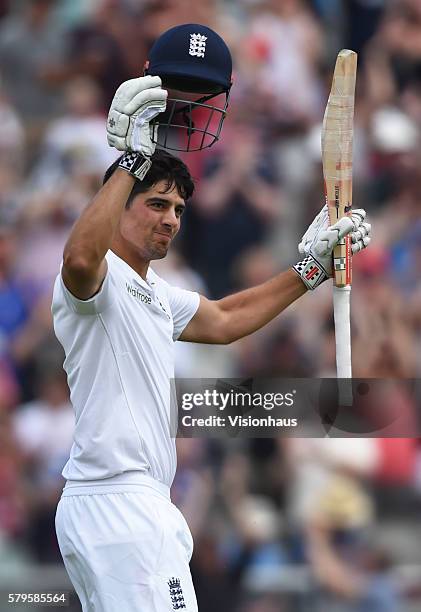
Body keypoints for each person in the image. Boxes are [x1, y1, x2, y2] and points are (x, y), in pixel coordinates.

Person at [52, 23, 372, 612]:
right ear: (117, 206)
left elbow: (225, 319)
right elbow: (77, 256)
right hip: (116, 503)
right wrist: (130, 159)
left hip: (139, 503)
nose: (172, 218)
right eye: (156, 204)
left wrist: (311, 269)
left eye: (177, 208)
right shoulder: (92, 281)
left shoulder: (153, 291)